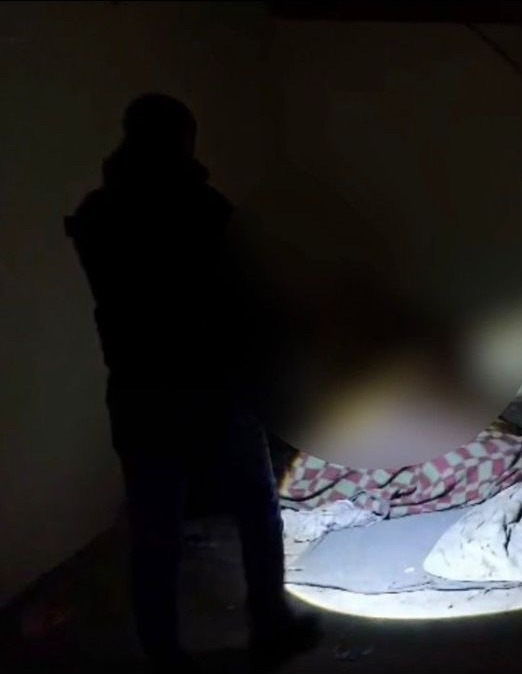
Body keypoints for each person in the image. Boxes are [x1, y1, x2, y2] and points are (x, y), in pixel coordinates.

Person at [66, 94, 319, 672]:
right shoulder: (203, 208)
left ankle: (163, 652)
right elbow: (248, 292)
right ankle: (270, 628)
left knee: (156, 530)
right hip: (214, 388)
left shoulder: (100, 210)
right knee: (256, 510)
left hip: (140, 392)